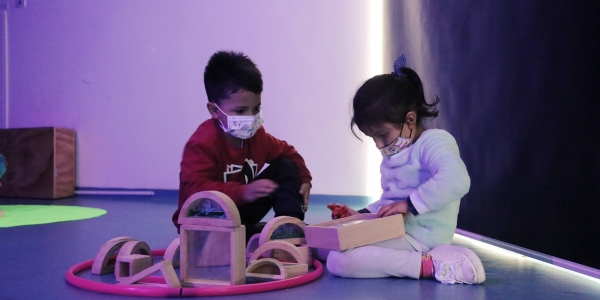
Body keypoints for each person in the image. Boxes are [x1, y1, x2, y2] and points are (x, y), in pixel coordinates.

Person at [326, 55, 485, 284]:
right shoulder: (398, 149)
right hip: (397, 232)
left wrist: (409, 205)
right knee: (327, 244)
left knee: (338, 260)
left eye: (382, 135)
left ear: (410, 120)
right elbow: (390, 202)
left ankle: (430, 264)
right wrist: (359, 216)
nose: (379, 145)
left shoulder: (434, 141)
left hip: (421, 238)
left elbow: (457, 179)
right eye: (373, 139)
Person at [172, 51, 312, 241]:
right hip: (204, 223)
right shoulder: (202, 144)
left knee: (285, 165)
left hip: (238, 213)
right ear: (214, 110)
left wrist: (305, 179)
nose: (251, 117)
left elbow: (289, 153)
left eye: (256, 109)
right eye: (240, 111)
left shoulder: (258, 136)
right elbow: (196, 193)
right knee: (238, 238)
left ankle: (289, 226)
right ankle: (262, 236)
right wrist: (243, 192)